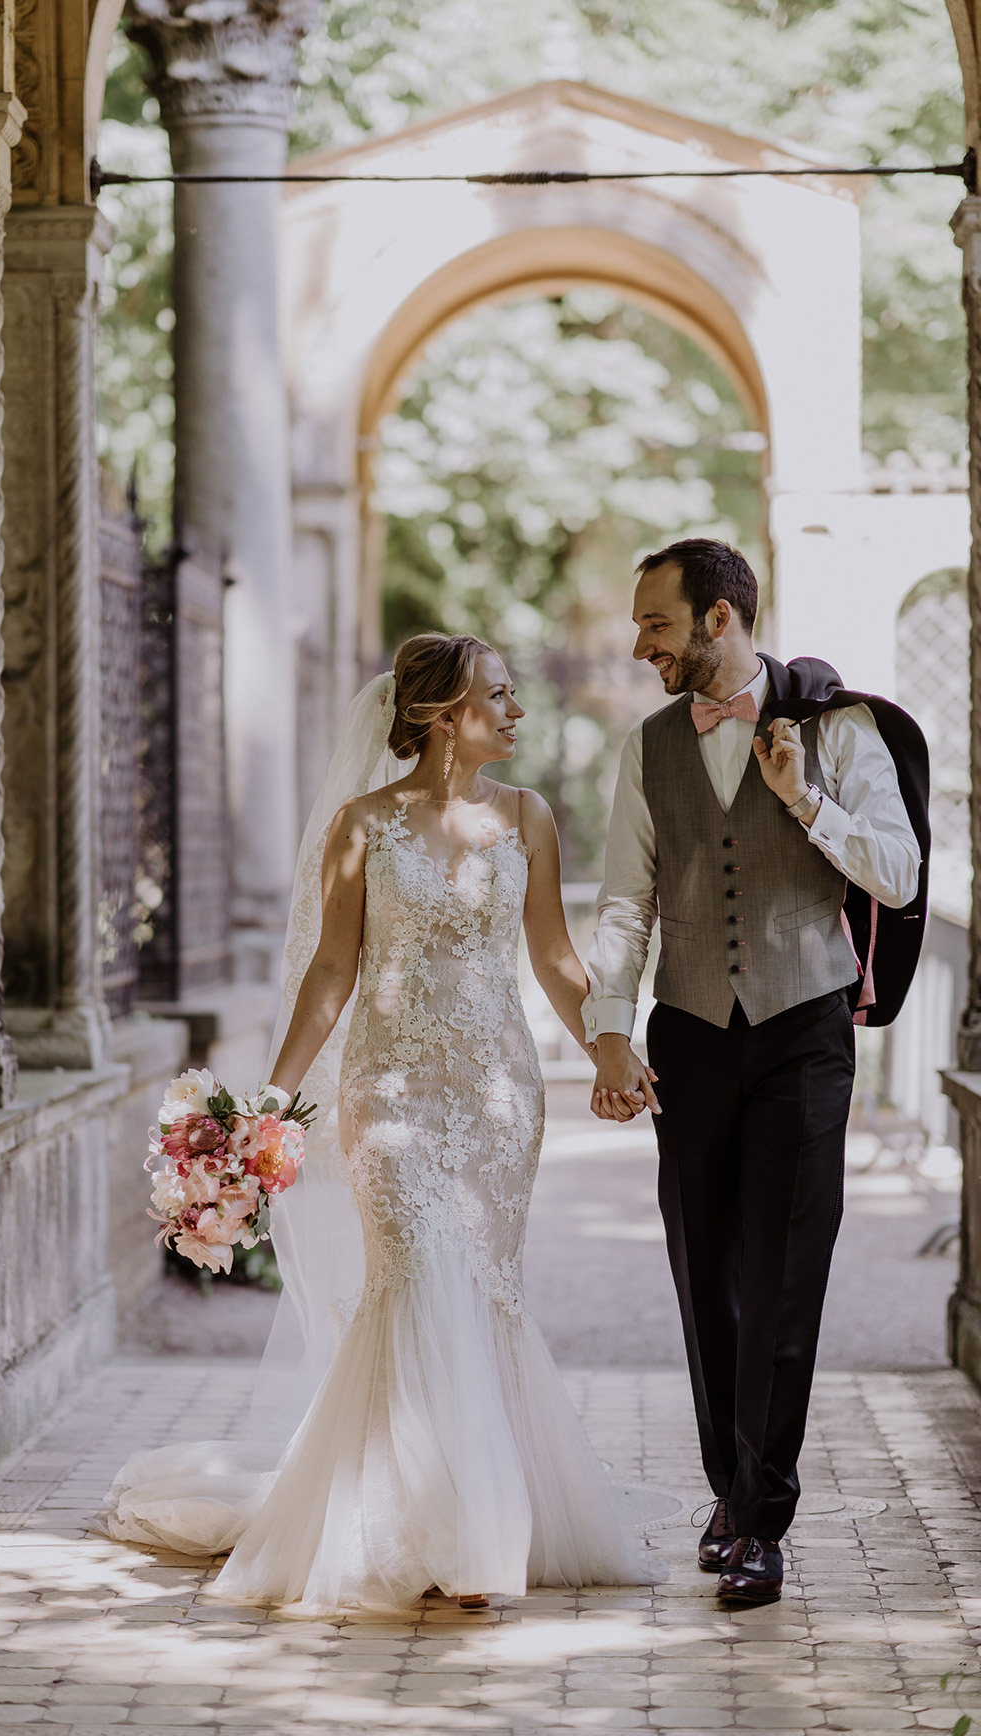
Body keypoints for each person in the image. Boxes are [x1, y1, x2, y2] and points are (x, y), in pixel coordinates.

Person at [100, 632, 661, 1613]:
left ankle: (474, 1515)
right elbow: (331, 972)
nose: (519, 711)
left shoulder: (527, 820)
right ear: (444, 718)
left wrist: (608, 1045)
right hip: (389, 1093)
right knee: (416, 1283)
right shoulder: (363, 826)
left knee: (482, 1293)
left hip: (498, 1098)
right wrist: (269, 1100)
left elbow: (556, 959)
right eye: (499, 695)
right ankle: (442, 1535)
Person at [585, 537, 921, 1606]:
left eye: (657, 624)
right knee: (706, 1274)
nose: (641, 644)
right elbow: (624, 900)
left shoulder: (838, 728)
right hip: (688, 1028)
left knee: (785, 1273)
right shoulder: (644, 748)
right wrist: (606, 1027)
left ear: (719, 620)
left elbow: (904, 878)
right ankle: (728, 1487)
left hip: (802, 1029)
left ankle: (763, 1521)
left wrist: (807, 804)